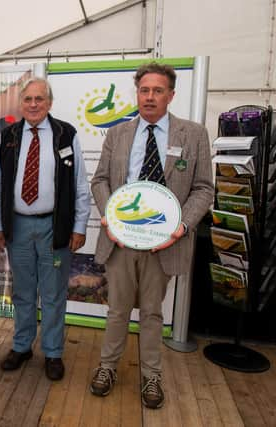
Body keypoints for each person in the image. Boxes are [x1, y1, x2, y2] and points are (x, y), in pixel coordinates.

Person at [89, 62, 214, 409]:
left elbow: (204, 188)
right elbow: (99, 180)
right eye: (144, 90)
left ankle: (151, 376)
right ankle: (107, 367)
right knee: (116, 310)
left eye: (158, 90)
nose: (150, 97)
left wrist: (182, 226)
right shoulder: (117, 134)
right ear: (137, 94)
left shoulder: (194, 135)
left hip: (165, 241)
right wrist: (109, 216)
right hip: (121, 240)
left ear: (171, 95)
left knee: (152, 314)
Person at [0, 77, 90, 381]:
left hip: (53, 226)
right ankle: (21, 346)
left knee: (53, 293)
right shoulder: (7, 136)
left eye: (39, 99)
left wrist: (79, 225)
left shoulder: (65, 134)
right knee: (22, 292)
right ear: (21, 103)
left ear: (49, 103)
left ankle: (53, 352)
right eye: (28, 99)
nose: (33, 104)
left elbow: (79, 184)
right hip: (17, 226)